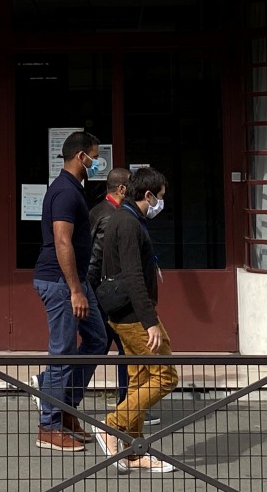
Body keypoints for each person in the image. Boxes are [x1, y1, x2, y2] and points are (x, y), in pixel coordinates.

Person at [91, 166, 176, 473]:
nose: (161, 204)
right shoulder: (127, 223)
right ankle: (111, 426)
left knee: (142, 380)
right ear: (149, 195)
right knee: (165, 377)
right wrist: (150, 320)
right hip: (133, 316)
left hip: (129, 313)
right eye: (161, 197)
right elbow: (133, 275)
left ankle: (132, 451)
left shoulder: (127, 218)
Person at [32, 131, 108, 452]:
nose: (97, 161)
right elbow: (62, 240)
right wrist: (75, 289)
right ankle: (49, 426)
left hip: (75, 280)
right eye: (95, 155)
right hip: (62, 282)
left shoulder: (73, 189)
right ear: (81, 157)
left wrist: (80, 285)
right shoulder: (64, 192)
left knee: (97, 339)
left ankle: (65, 408)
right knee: (62, 352)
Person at [86, 168, 139, 409]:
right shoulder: (110, 217)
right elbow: (96, 259)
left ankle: (58, 390)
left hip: (103, 293)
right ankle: (127, 404)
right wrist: (95, 293)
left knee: (99, 345)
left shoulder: (100, 210)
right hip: (108, 294)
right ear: (121, 189)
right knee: (127, 347)